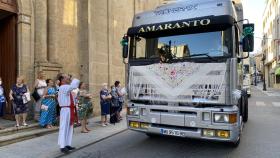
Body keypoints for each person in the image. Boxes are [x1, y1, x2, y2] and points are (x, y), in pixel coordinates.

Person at [57, 74, 80, 153]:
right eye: (67, 77)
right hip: (65, 109)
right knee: (64, 127)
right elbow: (74, 86)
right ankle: (62, 146)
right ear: (62, 79)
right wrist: (73, 78)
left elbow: (73, 94)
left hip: (69, 109)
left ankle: (67, 144)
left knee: (69, 127)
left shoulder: (66, 87)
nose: (69, 78)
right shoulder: (63, 87)